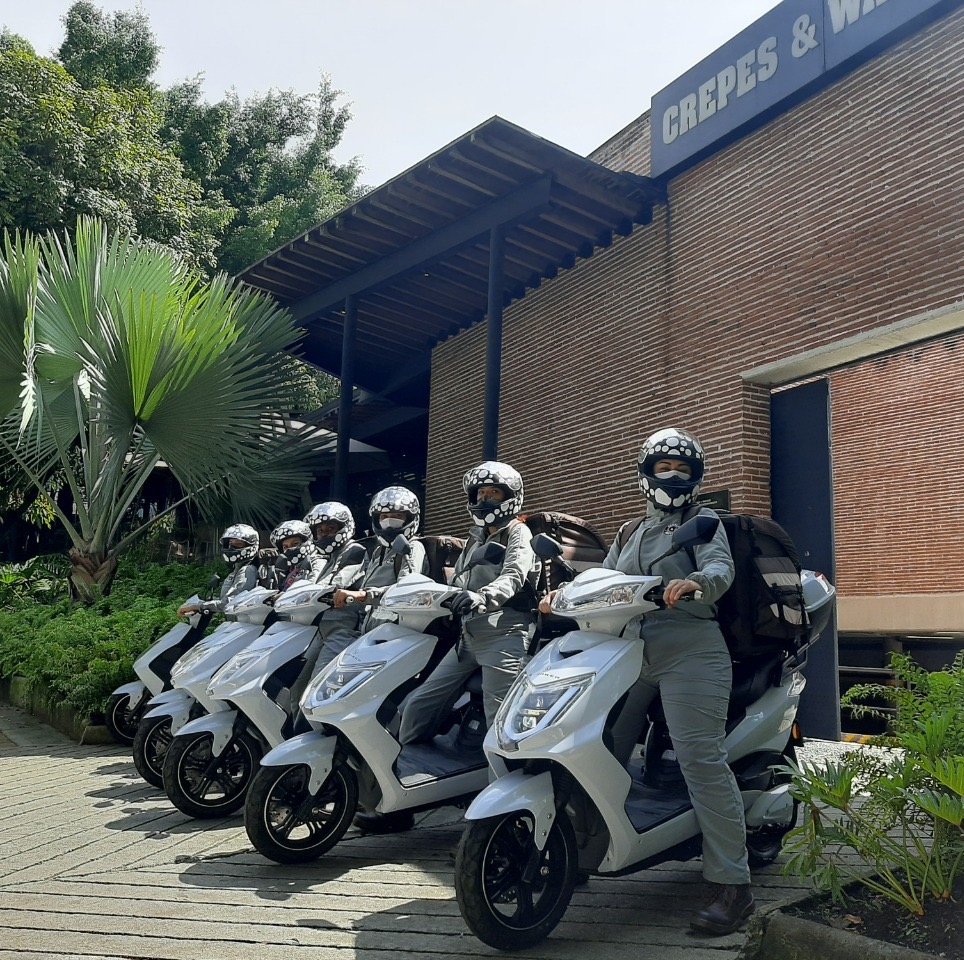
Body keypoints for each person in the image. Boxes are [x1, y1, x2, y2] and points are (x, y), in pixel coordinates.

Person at [566, 427, 751, 935]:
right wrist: (563, 594)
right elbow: (600, 580)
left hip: (689, 648)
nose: (672, 475)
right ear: (646, 474)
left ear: (696, 477)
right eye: (663, 467)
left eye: (682, 468)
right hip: (626, 651)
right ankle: (576, 848)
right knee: (597, 745)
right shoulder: (629, 530)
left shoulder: (702, 522)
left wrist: (697, 582)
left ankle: (732, 886)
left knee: (700, 759)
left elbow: (719, 567)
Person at [177, 523, 263, 617]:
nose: (231, 548)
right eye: (230, 544)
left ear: (251, 546)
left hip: (243, 622)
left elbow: (230, 603)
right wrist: (204, 601)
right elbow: (225, 600)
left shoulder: (247, 571)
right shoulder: (237, 570)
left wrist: (199, 606)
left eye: (238, 544)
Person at [270, 520, 326, 589]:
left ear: (306, 542)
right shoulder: (291, 569)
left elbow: (312, 588)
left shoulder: (317, 562)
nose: (290, 549)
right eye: (285, 547)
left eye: (295, 544)